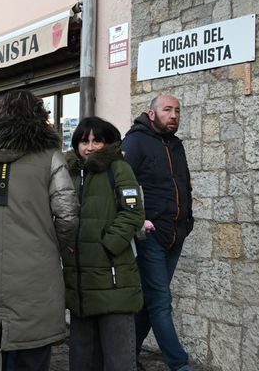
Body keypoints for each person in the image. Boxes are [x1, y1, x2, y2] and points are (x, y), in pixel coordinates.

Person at [0, 90, 79, 371]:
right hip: (36, 276)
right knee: (32, 356)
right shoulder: (50, 158)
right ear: (40, 115)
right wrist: (50, 244)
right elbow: (67, 216)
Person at [63, 116, 144, 371]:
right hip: (80, 281)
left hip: (113, 278)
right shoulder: (71, 173)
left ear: (107, 142)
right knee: (82, 357)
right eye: (84, 141)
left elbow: (132, 213)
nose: (90, 147)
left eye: (97, 140)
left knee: (118, 357)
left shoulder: (119, 169)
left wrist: (107, 246)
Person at [121, 94, 194, 371]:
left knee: (150, 300)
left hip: (176, 234)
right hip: (149, 235)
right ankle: (180, 364)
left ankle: (128, 355)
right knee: (161, 300)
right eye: (167, 110)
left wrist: (188, 222)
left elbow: (184, 185)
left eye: (177, 110)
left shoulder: (176, 146)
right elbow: (123, 186)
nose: (173, 115)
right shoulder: (135, 142)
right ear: (151, 114)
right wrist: (139, 221)